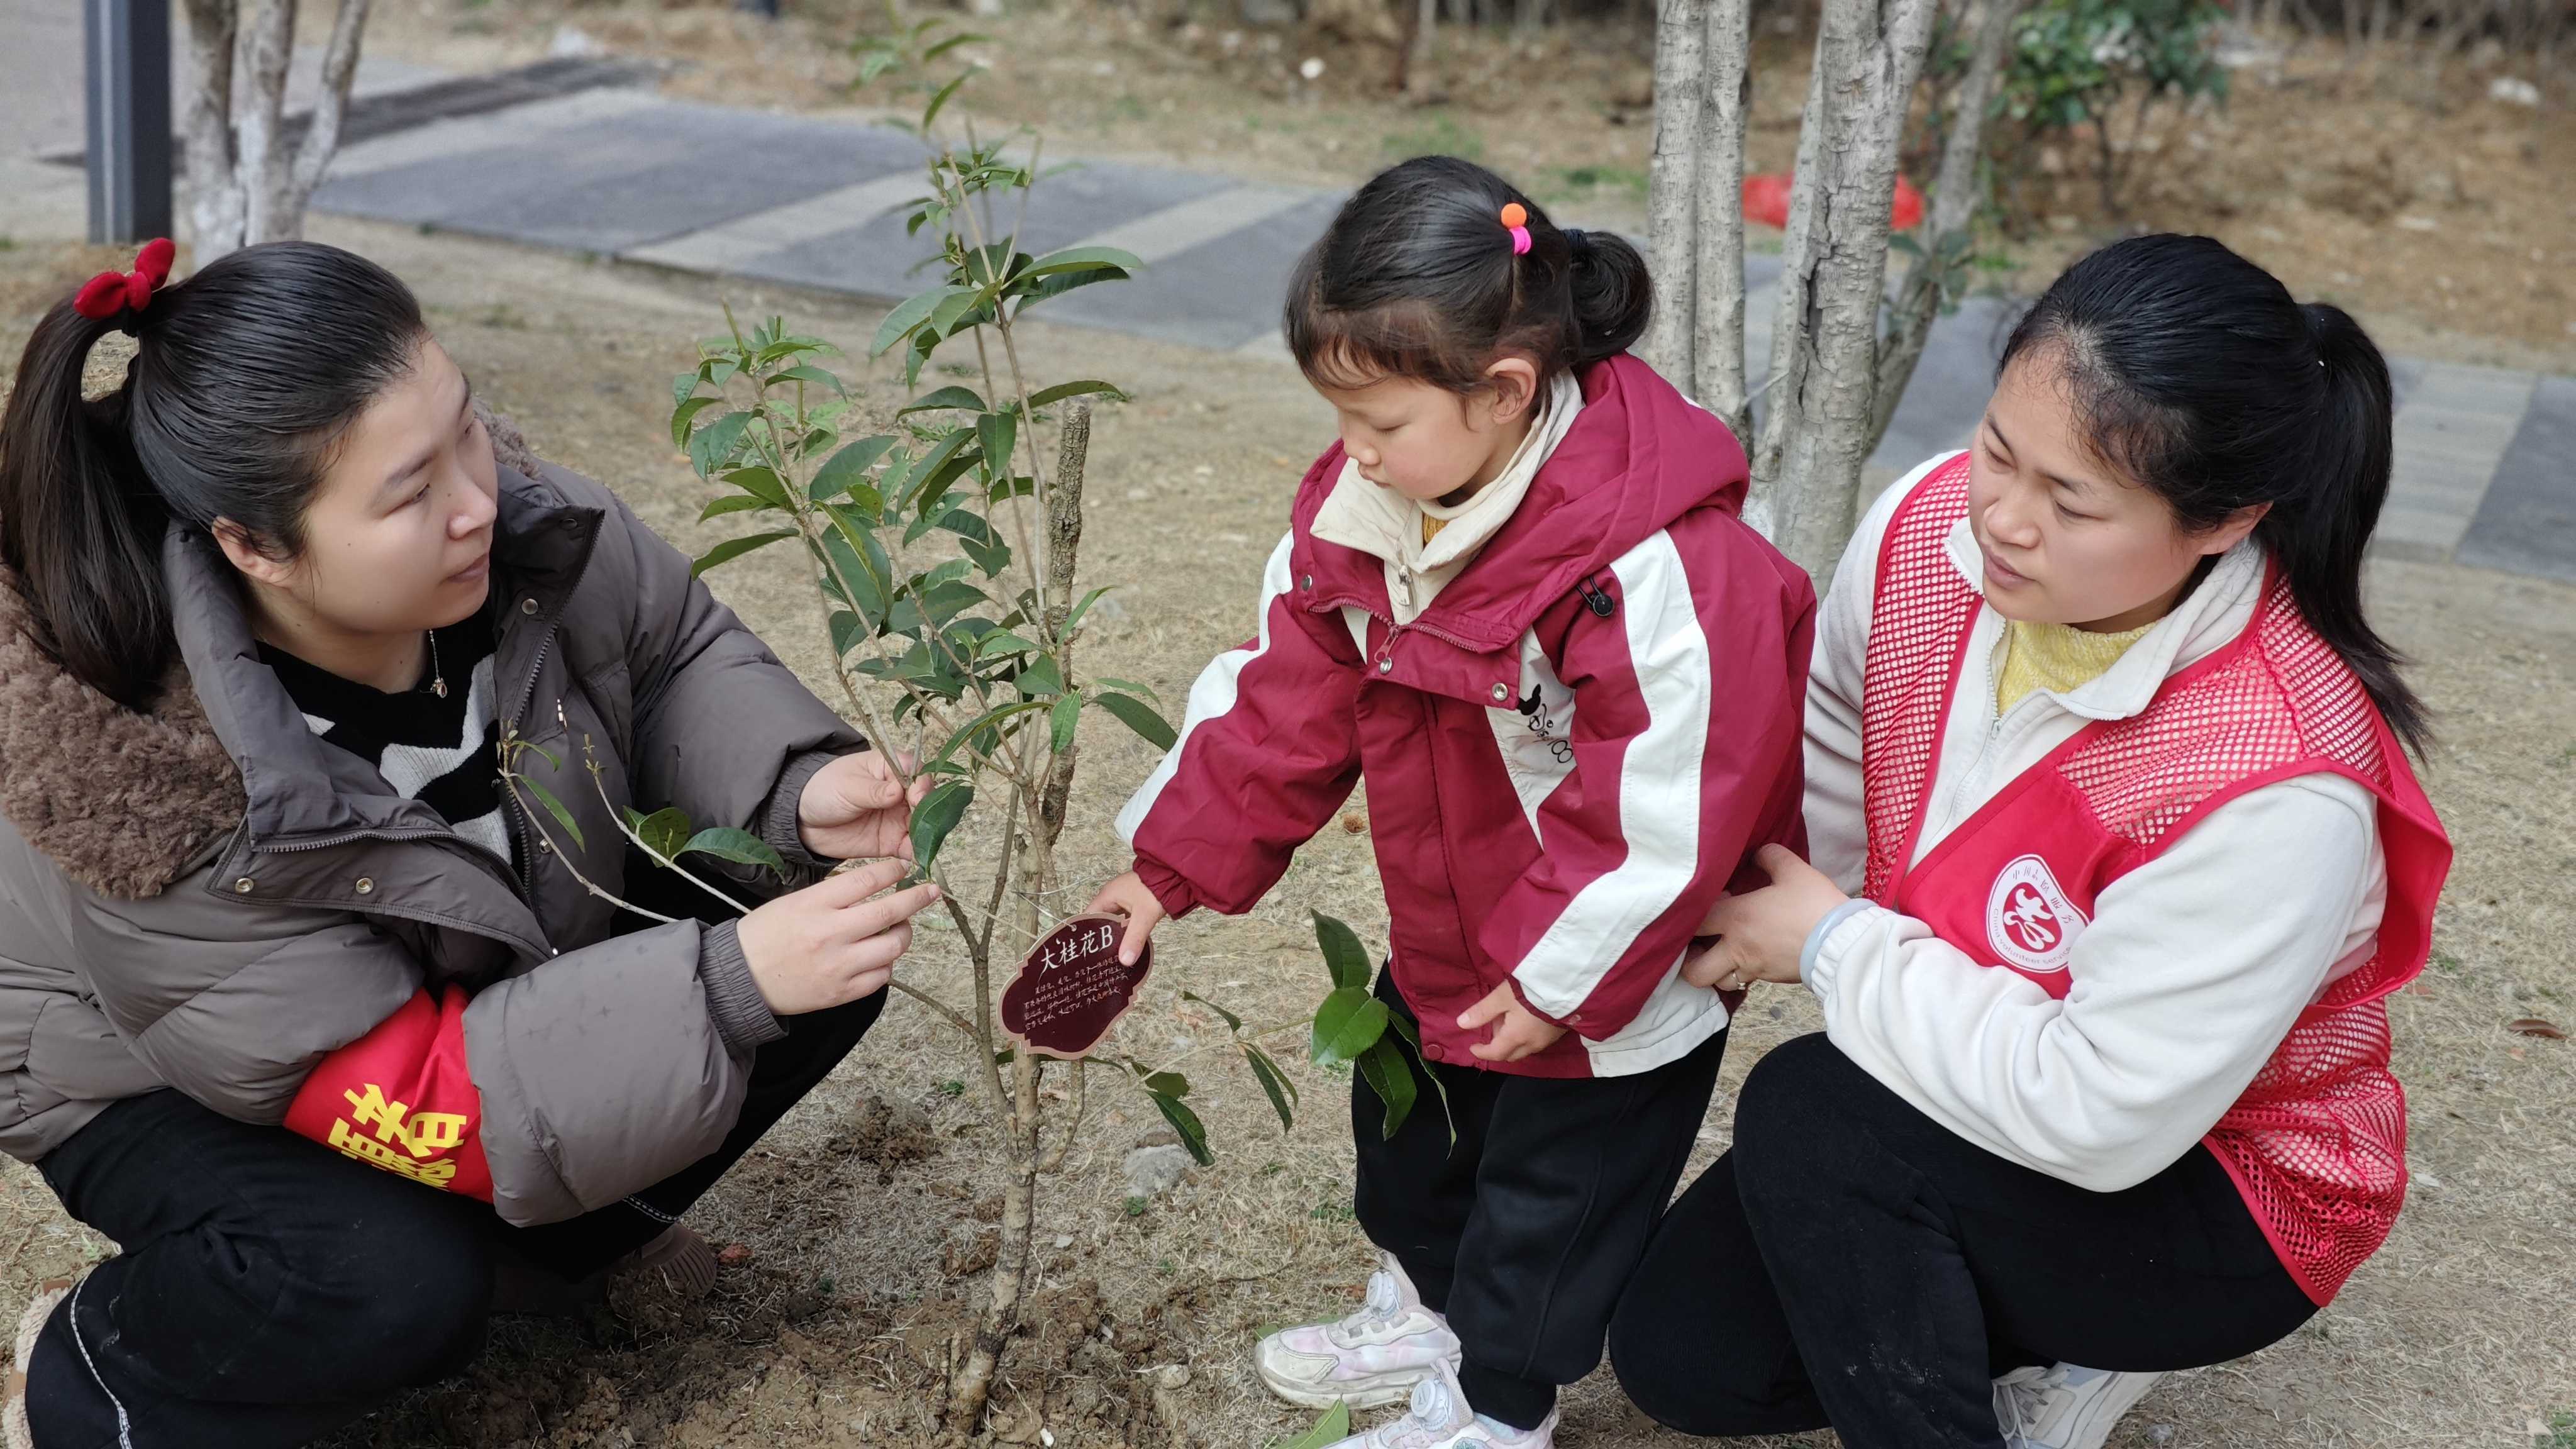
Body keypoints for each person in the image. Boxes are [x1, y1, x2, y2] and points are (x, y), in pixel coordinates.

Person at [0, 240, 941, 1448]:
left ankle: (566, 1252)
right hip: (162, 1067)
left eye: (466, 428)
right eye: (408, 492)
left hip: (431, 953)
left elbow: (666, 653)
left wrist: (795, 792)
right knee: (392, 1281)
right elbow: (408, 1081)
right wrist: (727, 982)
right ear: (255, 548)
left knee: (804, 911)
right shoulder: (155, 791)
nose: (476, 500)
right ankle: (99, 1371)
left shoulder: (513, 535)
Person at [1606, 234, 2452, 1449]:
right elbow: (1841, 730)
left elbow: (2104, 1113)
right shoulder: (1923, 537)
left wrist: (1836, 945)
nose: (2003, 518)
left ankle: (2059, 1362)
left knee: (1817, 1112)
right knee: (1689, 1360)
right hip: (1983, 1063)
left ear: (2224, 521)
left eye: (2072, 501)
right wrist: (1787, 898)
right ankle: (2031, 1329)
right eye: (1999, 449)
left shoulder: (2276, 775)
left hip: (2216, 1186)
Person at [1086, 157, 1816, 1449]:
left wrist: (1556, 980)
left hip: (1609, 962)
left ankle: (1496, 1408)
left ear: (1503, 392)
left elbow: (1665, 804)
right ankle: (1425, 1312)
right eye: (1339, 419)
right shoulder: (1364, 515)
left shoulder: (1652, 567)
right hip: (1450, 910)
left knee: (1553, 1187)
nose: (1352, 453)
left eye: (1380, 424)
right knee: (1414, 1131)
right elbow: (1281, 700)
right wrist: (1166, 866)